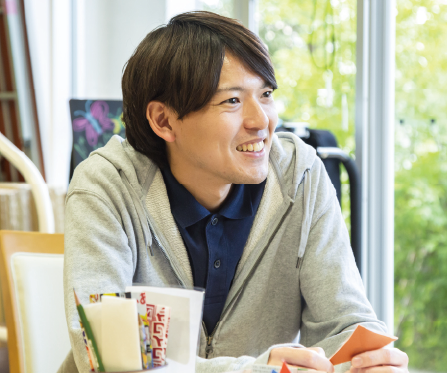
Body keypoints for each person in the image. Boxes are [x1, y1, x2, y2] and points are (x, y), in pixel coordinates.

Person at [60, 11, 409, 373]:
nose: (262, 122)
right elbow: (106, 356)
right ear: (163, 120)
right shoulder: (106, 186)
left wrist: (369, 360)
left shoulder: (301, 176)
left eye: (266, 94)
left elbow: (345, 324)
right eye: (232, 101)